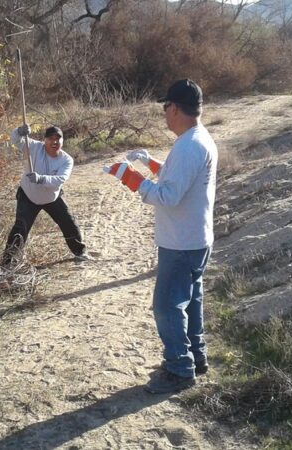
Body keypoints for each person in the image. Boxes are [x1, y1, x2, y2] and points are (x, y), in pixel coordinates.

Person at [104, 79, 217, 394]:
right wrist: (149, 163)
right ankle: (197, 356)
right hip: (195, 239)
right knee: (190, 301)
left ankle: (180, 369)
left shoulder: (190, 145)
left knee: (166, 307)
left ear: (176, 108)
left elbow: (168, 196)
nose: (164, 114)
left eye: (166, 107)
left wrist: (129, 177)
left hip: (181, 242)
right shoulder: (197, 139)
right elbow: (179, 176)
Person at [1, 124, 89, 265]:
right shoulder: (33, 147)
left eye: (58, 139)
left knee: (69, 222)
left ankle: (80, 252)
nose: (54, 142)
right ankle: (8, 263)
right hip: (28, 195)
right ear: (44, 140)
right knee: (20, 227)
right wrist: (19, 131)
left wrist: (41, 178)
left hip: (52, 196)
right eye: (51, 138)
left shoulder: (67, 160)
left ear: (62, 141)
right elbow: (15, 140)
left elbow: (61, 179)